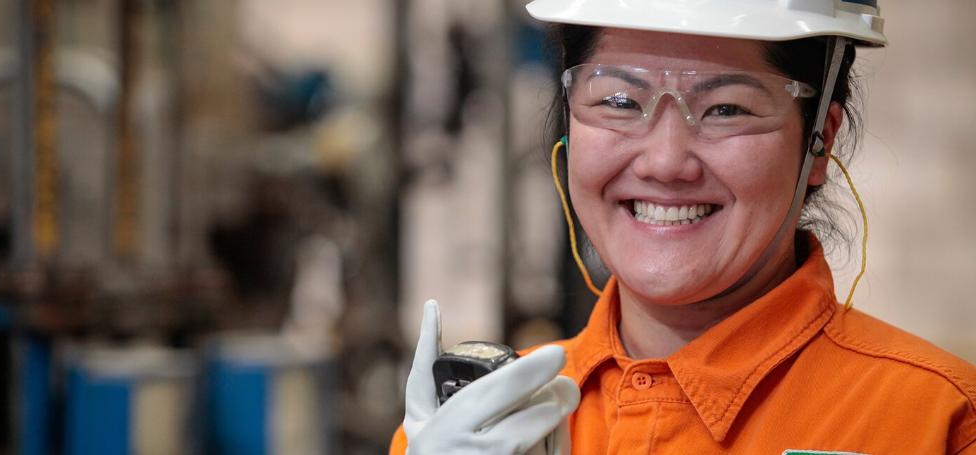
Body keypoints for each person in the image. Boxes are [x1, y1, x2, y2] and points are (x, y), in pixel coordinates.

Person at [391, 1, 976, 453]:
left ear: (818, 139)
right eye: (619, 100)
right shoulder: (478, 423)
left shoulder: (932, 420)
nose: (665, 162)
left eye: (727, 109)